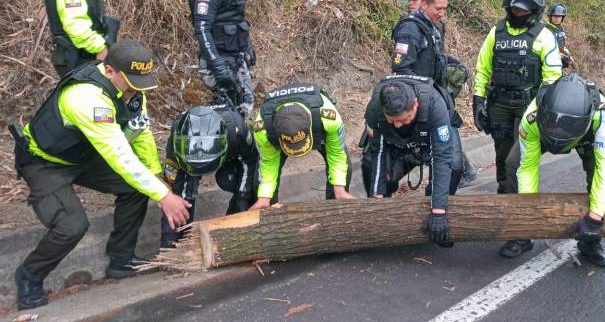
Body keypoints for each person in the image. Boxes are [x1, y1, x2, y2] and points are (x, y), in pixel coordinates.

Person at [8, 40, 190, 310]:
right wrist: (163, 195)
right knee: (72, 226)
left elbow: (141, 134)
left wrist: (156, 175)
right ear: (109, 71)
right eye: (131, 81)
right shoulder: (87, 98)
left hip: (85, 155)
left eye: (141, 82)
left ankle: (121, 259)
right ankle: (29, 275)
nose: (136, 90)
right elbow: (119, 154)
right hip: (46, 162)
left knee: (136, 188)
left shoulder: (133, 90)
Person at [472, 0, 562, 258]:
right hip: (499, 105)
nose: (518, 14)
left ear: (535, 11)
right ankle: (507, 215)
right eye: (515, 9)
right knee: (502, 164)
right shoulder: (496, 33)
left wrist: (539, 113)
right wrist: (477, 101)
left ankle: (522, 232)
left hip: (529, 110)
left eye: (524, 11)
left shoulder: (544, 36)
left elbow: (552, 78)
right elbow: (483, 68)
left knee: (516, 165)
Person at [516, 73, 605, 266]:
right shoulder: (531, 118)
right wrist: (526, 212)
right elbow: (527, 167)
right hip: (542, 132)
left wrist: (594, 218)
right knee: (512, 163)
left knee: (595, 168)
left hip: (585, 138)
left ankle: (591, 242)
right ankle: (519, 233)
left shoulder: (604, 115)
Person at [389, 0, 476, 186]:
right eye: (438, 9)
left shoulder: (435, 26)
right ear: (425, 4)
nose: (442, 13)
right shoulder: (409, 29)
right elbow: (401, 69)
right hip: (418, 98)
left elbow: (433, 55)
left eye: (445, 9)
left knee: (445, 132)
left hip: (435, 93)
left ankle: (459, 173)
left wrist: (452, 62)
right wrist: (419, 97)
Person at [363, 75, 463, 246]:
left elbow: (442, 157)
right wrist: (376, 201)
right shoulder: (375, 109)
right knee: (368, 163)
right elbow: (378, 151)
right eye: (392, 121)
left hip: (429, 142)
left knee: (454, 164)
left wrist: (438, 211)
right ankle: (385, 215)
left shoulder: (434, 105)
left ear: (415, 104)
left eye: (404, 119)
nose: (398, 125)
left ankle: (438, 216)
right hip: (397, 145)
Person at [160, 100, 259, 248]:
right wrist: (170, 241)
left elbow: (250, 162)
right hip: (187, 158)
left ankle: (235, 229)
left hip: (231, 154)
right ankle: (175, 243)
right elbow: (174, 187)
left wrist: (242, 199)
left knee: (240, 187)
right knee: (180, 196)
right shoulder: (178, 134)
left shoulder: (237, 129)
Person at [188, 0, 260, 116]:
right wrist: (217, 65)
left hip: (234, 58)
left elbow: (236, 21)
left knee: (243, 106)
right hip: (219, 60)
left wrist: (246, 48)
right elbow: (202, 28)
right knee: (230, 110)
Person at [250, 82, 354, 209]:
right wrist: (264, 197)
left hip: (318, 128)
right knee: (259, 186)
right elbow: (268, 162)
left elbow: (337, 154)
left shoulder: (328, 118)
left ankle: (335, 206)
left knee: (345, 171)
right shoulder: (263, 130)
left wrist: (339, 187)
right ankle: (269, 211)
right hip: (278, 133)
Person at [545, 3, 573, 69]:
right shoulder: (546, 30)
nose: (557, 18)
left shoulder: (560, 29)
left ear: (562, 18)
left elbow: (562, 46)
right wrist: (560, 55)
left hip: (559, 63)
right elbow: (546, 49)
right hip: (549, 64)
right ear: (550, 17)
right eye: (555, 16)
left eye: (559, 16)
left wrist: (568, 55)